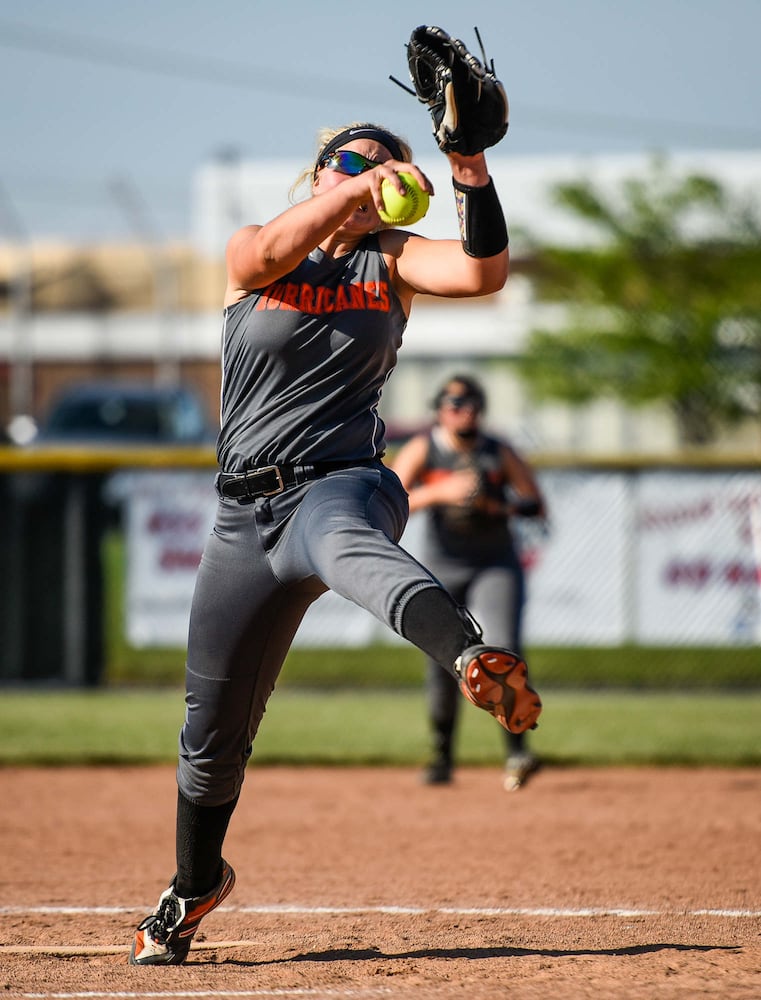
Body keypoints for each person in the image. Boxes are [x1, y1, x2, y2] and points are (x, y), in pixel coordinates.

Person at [128, 119, 541, 966]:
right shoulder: (263, 249)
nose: (374, 176)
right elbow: (256, 257)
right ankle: (194, 883)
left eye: (389, 165)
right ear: (317, 174)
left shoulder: (389, 259)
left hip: (339, 482)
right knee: (209, 737)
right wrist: (362, 183)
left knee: (347, 543)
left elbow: (482, 272)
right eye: (354, 161)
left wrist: (467, 165)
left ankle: (467, 656)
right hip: (243, 518)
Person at [391, 375, 547, 791]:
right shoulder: (426, 447)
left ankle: (517, 753)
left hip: (494, 564)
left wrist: (495, 505)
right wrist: (440, 492)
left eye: (471, 402)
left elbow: (534, 504)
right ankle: (442, 756)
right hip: (443, 566)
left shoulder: (497, 451)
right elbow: (391, 497)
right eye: (454, 402)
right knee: (443, 658)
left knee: (503, 652)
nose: (464, 410)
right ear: (439, 408)